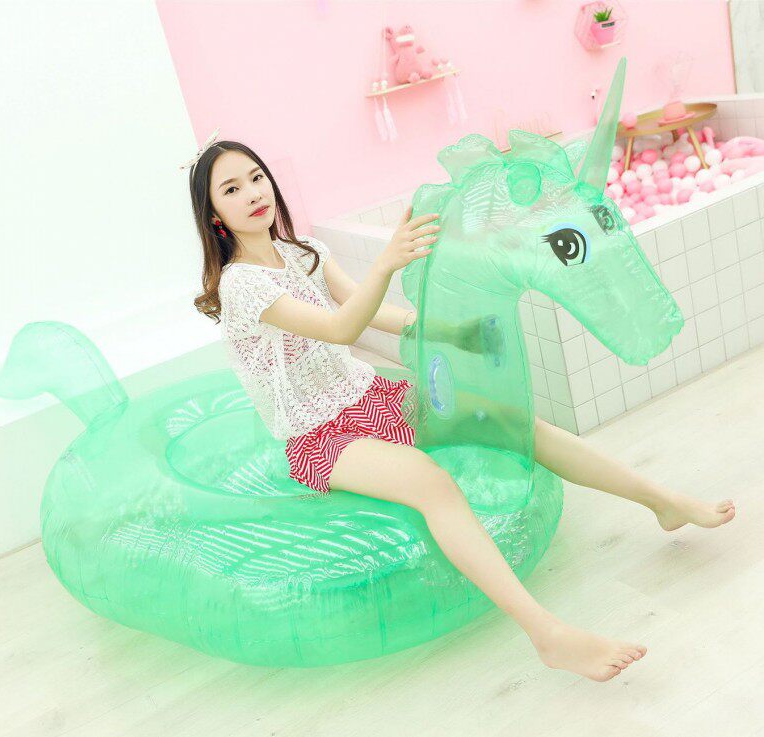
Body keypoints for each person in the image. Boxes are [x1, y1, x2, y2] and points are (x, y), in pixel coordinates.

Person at [187, 135, 736, 682]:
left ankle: (663, 501)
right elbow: (340, 327)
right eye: (231, 189)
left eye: (256, 177)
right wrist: (386, 263)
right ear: (214, 215)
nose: (252, 194)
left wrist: (449, 331)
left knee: (517, 425)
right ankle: (547, 635)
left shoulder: (303, 251)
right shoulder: (241, 286)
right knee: (434, 484)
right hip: (321, 437)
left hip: (371, 399)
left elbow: (368, 311)